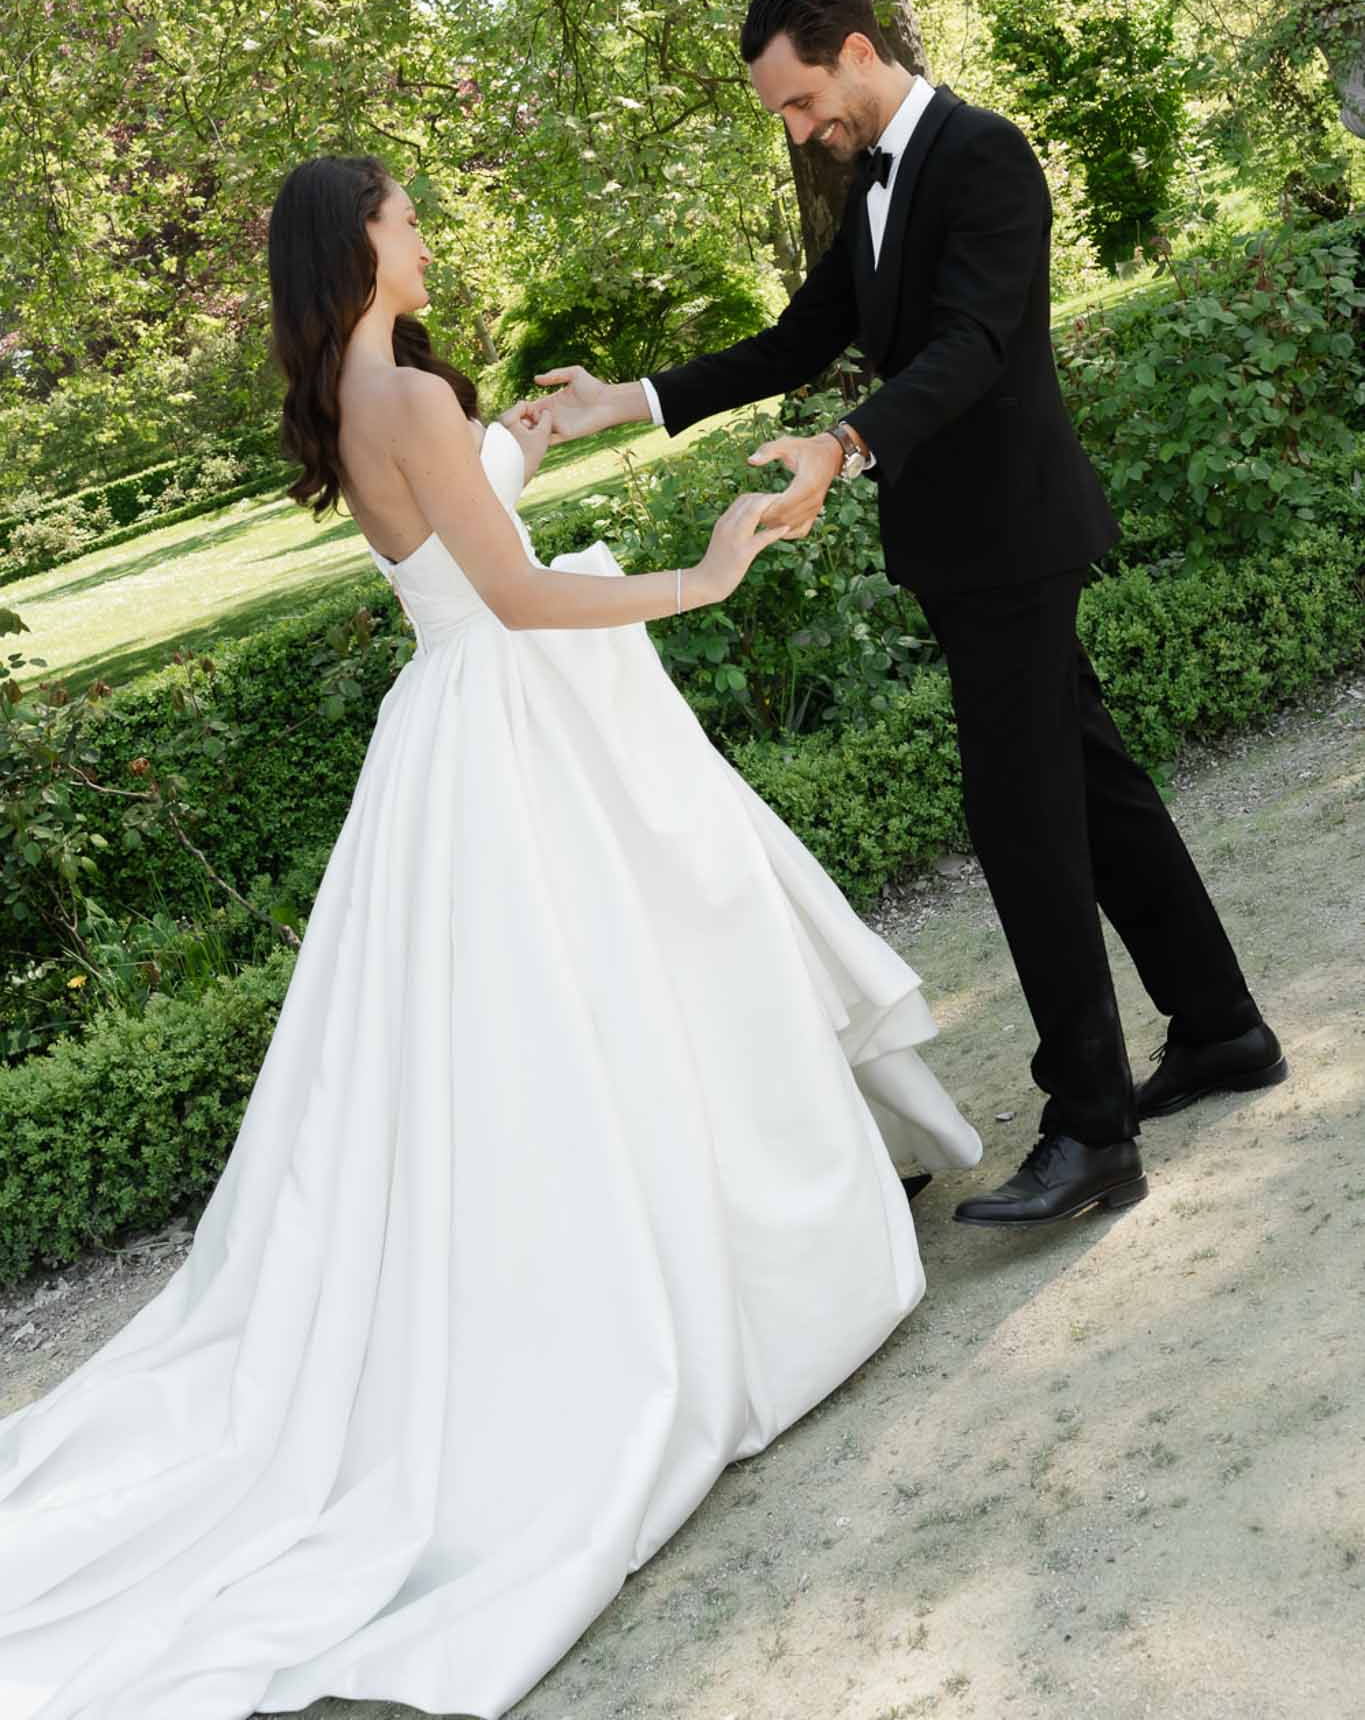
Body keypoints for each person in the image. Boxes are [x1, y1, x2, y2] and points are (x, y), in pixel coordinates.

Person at [0, 154, 980, 1720]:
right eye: (405, 220)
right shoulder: (397, 392)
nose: (427, 235)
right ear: (356, 246)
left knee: (588, 1002)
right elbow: (514, 599)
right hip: (510, 714)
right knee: (618, 986)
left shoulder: (359, 387)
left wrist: (507, 446)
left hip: (461, 721)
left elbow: (452, 533)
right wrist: (704, 575)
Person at [537, 0, 1287, 1233]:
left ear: (861, 50)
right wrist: (633, 399)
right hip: (961, 550)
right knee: (1093, 791)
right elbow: (793, 339)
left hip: (1014, 538)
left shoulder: (984, 157)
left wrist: (846, 446)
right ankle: (1221, 1028)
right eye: (782, 112)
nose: (798, 128)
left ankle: (1093, 1128)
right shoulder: (870, 191)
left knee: (1024, 822)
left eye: (802, 99)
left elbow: (978, 342)